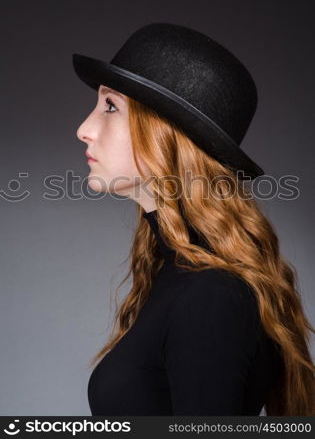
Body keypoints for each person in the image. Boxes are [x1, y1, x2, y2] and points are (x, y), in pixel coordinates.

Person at [72, 22, 315, 416]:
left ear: (169, 135)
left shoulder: (210, 296)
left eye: (111, 106)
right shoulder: (178, 275)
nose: (84, 129)